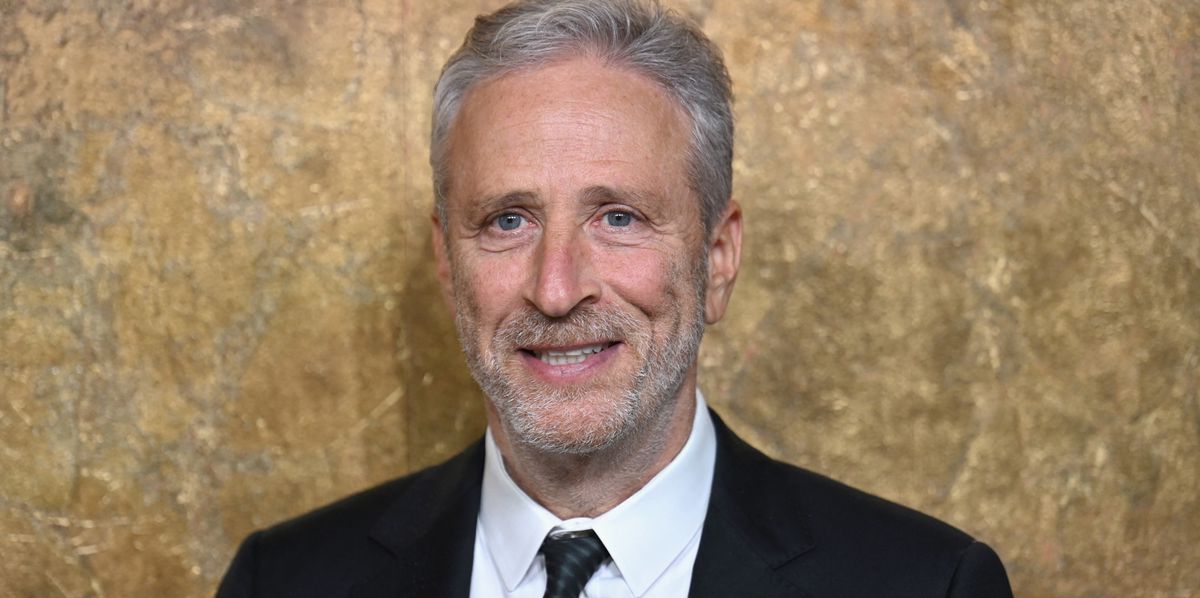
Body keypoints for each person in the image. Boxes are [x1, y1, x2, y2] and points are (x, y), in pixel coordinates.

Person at [217, 1, 1013, 596]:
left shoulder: (926, 585)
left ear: (719, 257)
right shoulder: (282, 581)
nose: (556, 288)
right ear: (446, 260)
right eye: (507, 220)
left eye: (620, 217)